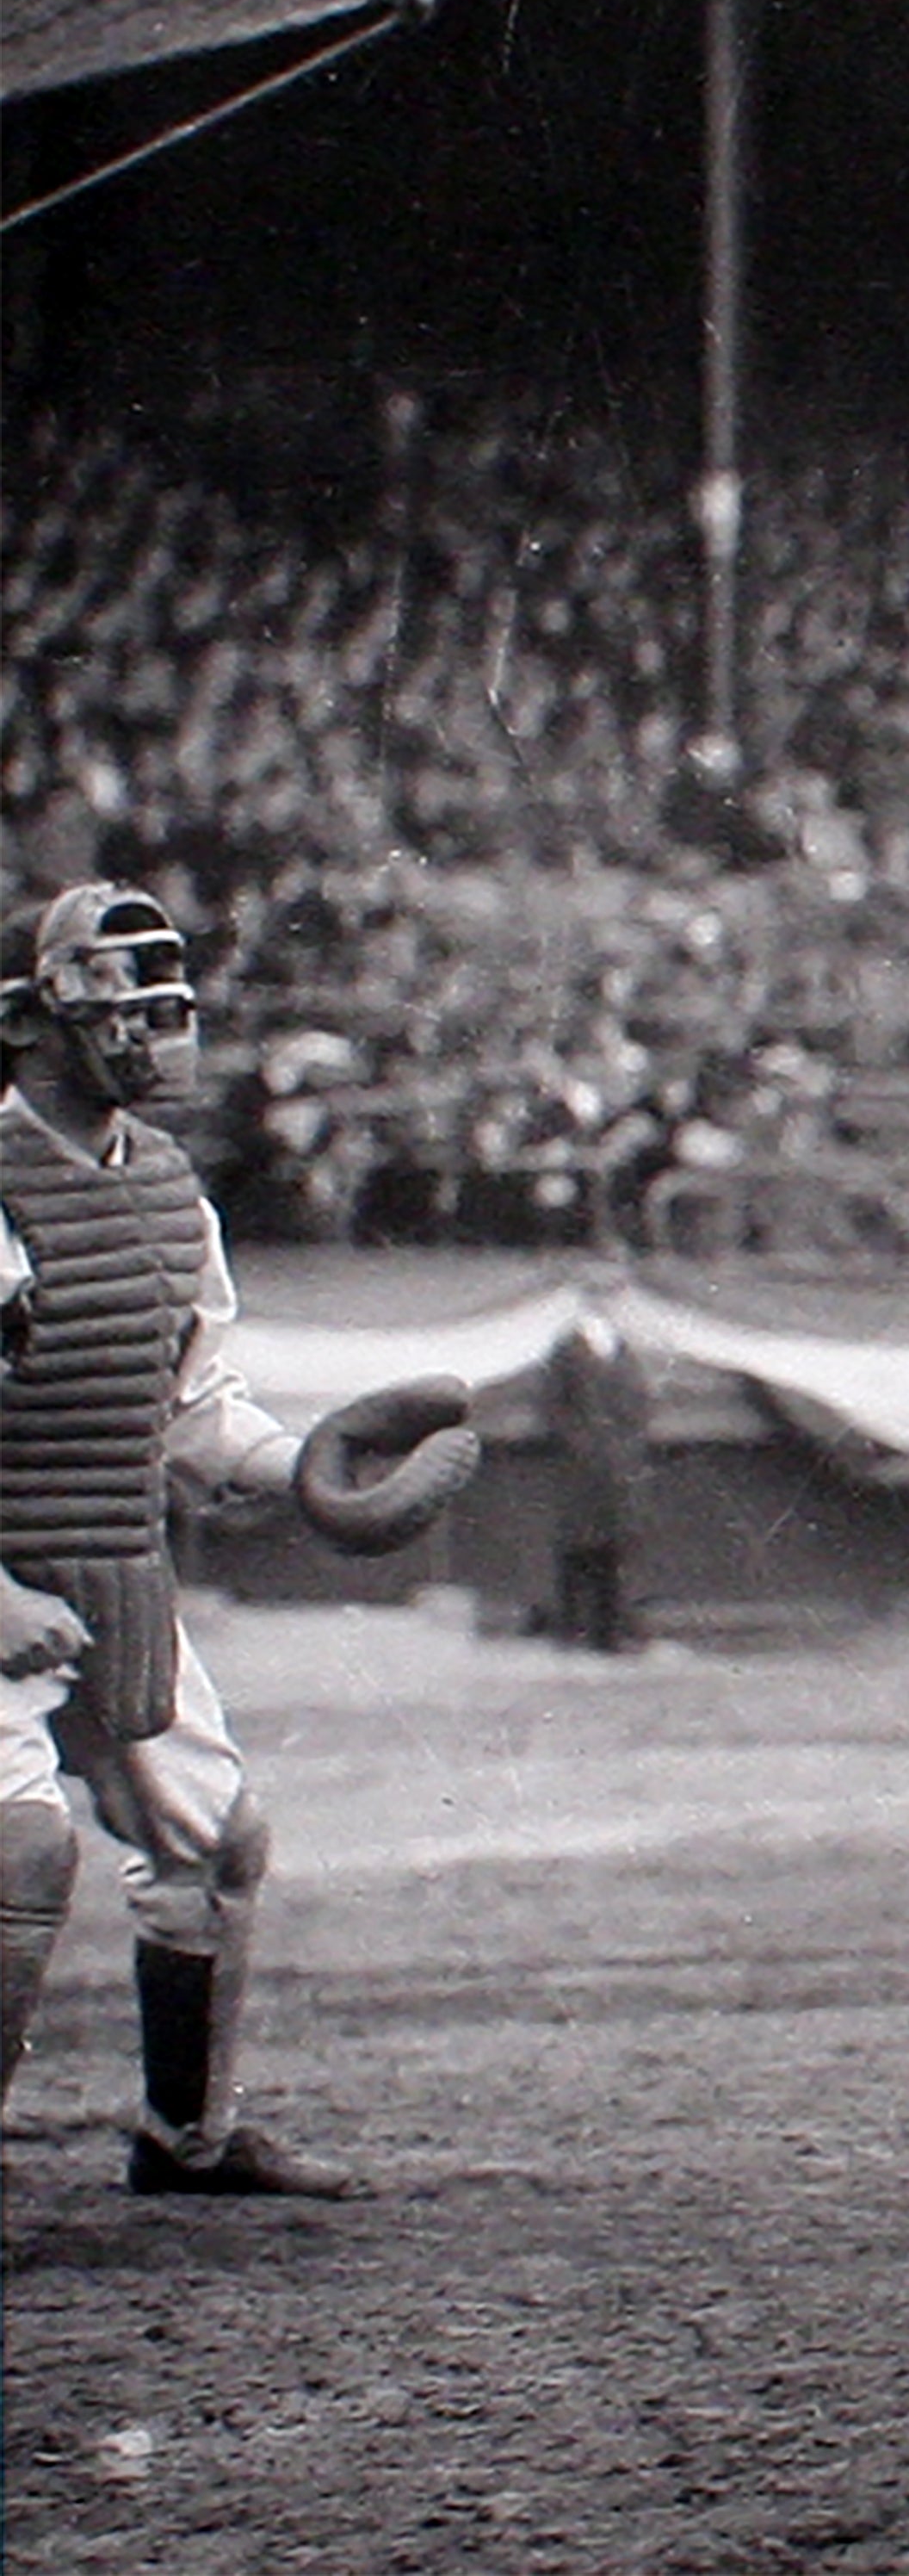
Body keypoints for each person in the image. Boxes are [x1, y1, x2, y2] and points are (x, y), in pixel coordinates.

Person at [1, 882, 478, 2195]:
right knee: (18, 1851)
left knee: (215, 1844)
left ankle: (183, 2138)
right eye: (119, 993)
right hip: (2, 1577)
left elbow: (197, 1411)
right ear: (33, 1017)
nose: (151, 1022)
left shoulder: (164, 1189)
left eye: (161, 993)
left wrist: (308, 1474)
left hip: (108, 1562)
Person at [535, 1263, 654, 1653]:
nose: (606, 1302)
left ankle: (611, 1629)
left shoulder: (623, 1347)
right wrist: (579, 1442)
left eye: (611, 1294)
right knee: (576, 1546)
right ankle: (573, 1629)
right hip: (580, 1465)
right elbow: (552, 1405)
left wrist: (629, 1445)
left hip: (619, 1464)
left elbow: (639, 1403)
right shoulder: (568, 1348)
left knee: (616, 1547)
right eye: (598, 1294)